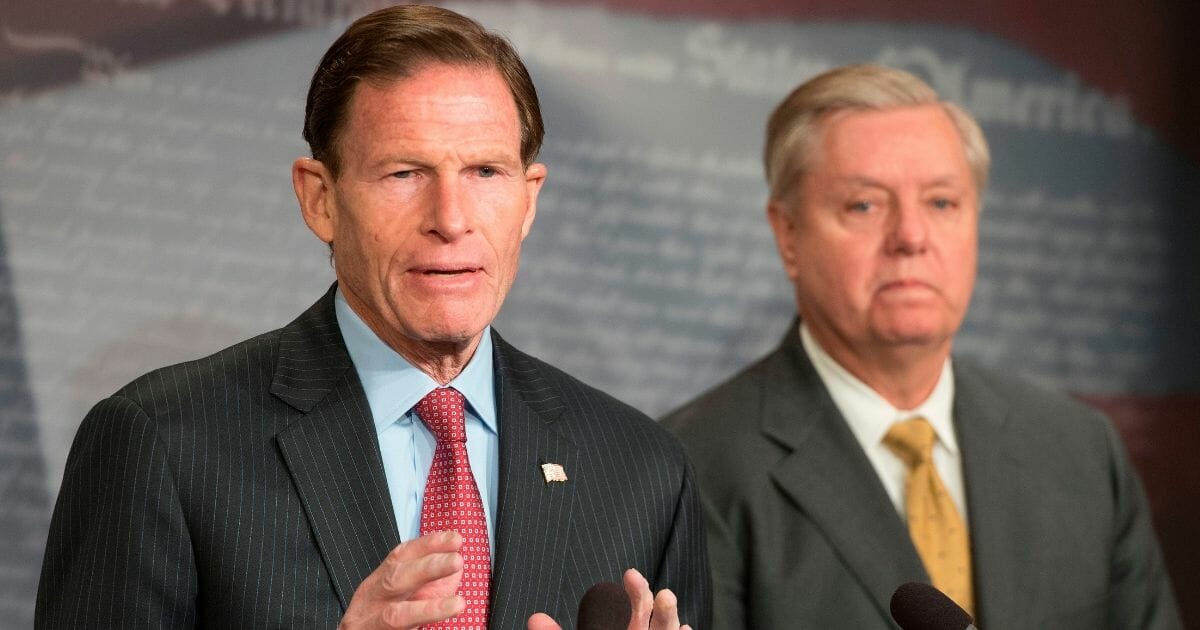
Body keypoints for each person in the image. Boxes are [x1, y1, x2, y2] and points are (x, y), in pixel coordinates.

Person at [35, 6, 710, 629]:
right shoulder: (165, 444)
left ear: (529, 199)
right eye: (404, 174)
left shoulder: (641, 470)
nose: (450, 220)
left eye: (484, 173)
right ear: (320, 198)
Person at [662, 64, 1181, 629]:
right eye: (865, 205)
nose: (911, 236)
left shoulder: (1080, 450)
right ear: (788, 235)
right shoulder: (690, 467)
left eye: (941, 203)